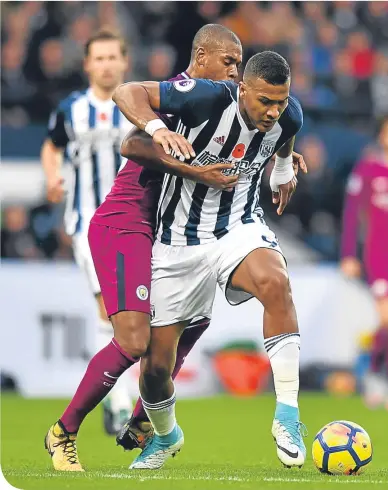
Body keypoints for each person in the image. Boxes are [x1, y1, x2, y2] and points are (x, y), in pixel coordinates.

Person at [44, 23, 244, 473]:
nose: (235, 72)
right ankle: (63, 432)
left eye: (238, 64)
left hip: (169, 233)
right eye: (228, 61)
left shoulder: (222, 106)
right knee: (133, 340)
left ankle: (140, 421)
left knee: (190, 325)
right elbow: (131, 143)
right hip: (125, 223)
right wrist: (191, 165)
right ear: (202, 57)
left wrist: (286, 157)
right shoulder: (183, 92)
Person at [113, 50, 308, 470]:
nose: (274, 112)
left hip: (237, 228)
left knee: (276, 282)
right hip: (176, 243)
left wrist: (281, 171)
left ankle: (287, 416)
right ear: (242, 89)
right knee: (154, 370)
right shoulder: (204, 98)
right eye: (264, 101)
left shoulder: (289, 115)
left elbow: (285, 139)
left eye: (281, 101)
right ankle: (166, 436)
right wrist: (157, 128)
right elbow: (125, 91)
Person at [41, 29, 135, 439]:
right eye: (99, 58)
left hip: (135, 223)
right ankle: (119, 403)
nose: (107, 64)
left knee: (132, 314)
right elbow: (51, 146)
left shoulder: (138, 107)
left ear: (125, 62)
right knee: (109, 308)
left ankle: (120, 401)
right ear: (87, 64)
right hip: (88, 223)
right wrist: (51, 177)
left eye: (113, 56)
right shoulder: (71, 109)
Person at [341, 113, 388, 414]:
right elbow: (351, 213)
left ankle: (375, 370)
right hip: (380, 256)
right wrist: (348, 254)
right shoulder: (369, 169)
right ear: (382, 136)